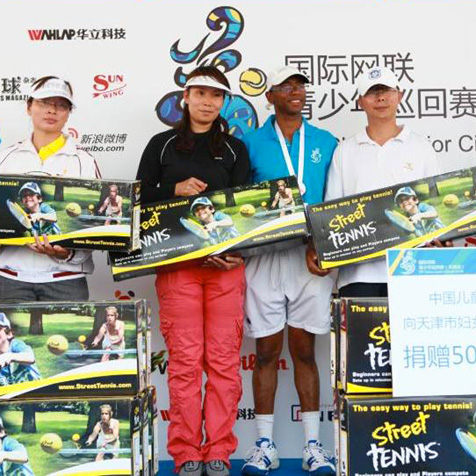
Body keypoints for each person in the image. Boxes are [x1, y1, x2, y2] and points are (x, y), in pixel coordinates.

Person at [136, 65, 250, 476]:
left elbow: (247, 211)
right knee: (185, 364)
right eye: (200, 93)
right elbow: (136, 201)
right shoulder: (162, 145)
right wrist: (174, 190)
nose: (207, 102)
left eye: (216, 95)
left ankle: (218, 450)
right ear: (185, 97)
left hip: (224, 270)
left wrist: (239, 253)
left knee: (223, 363)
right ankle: (185, 452)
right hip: (178, 268)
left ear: (224, 102)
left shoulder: (234, 149)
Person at [241, 66, 337, 476]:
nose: (296, 91)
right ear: (270, 96)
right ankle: (264, 445)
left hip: (309, 257)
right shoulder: (248, 143)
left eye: (300, 85)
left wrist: (325, 247)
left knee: (303, 351)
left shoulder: (326, 141)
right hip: (263, 257)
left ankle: (314, 446)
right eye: (286, 86)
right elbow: (238, 204)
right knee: (266, 353)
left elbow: (335, 198)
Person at [324, 66, 444, 298]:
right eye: (372, 92)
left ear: (399, 95)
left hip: (412, 268)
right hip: (358, 274)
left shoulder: (421, 147)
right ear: (360, 101)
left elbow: (434, 202)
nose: (380, 98)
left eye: (386, 90)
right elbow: (333, 214)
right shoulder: (345, 151)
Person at [0, 76, 101, 302]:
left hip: (65, 281)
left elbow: (92, 226)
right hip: (9, 280)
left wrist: (69, 253)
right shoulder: (5, 158)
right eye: (44, 102)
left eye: (61, 105)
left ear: (68, 113)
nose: (52, 110)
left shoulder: (84, 161)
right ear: (29, 107)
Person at [0, 313, 41, 385]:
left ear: (9, 334)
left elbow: (30, 357)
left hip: (35, 388)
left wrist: (9, 356)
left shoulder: (16, 345)